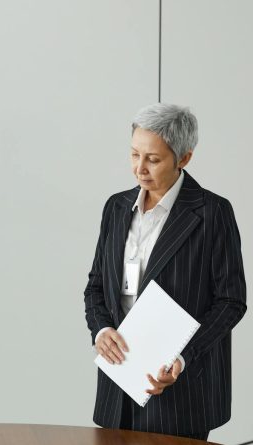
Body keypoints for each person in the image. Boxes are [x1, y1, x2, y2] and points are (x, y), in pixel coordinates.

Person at [84, 103, 247, 440]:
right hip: (118, 386)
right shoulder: (116, 207)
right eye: (134, 155)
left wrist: (184, 356)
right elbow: (96, 286)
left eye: (153, 159)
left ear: (184, 158)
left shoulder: (213, 212)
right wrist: (101, 331)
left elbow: (231, 301)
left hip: (181, 390)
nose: (139, 168)